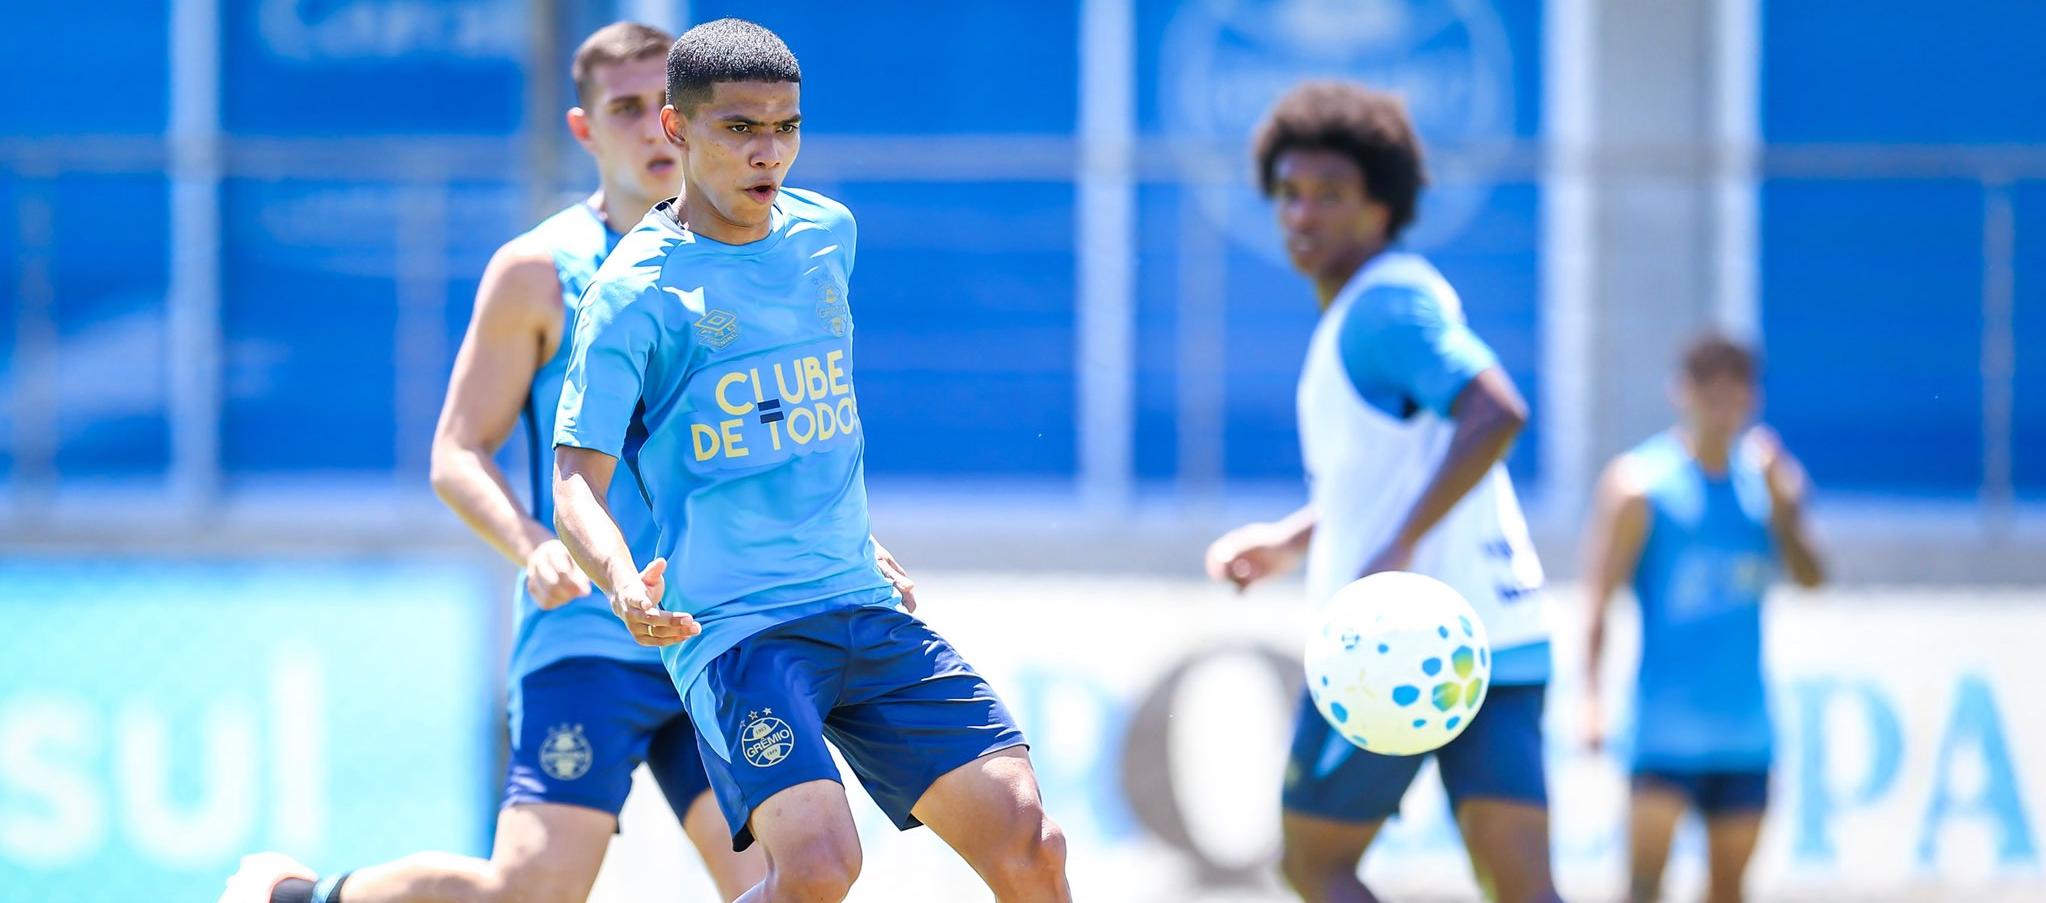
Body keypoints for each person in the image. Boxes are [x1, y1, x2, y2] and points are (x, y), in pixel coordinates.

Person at [219, 22, 766, 903]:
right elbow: (455, 450)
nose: (648, 128)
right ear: (584, 131)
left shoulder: (750, 261)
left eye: (661, 108)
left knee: (794, 879)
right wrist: (533, 543)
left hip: (718, 634)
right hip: (589, 634)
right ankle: (293, 895)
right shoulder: (537, 271)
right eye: (622, 109)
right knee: (530, 892)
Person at [550, 18, 1069, 903]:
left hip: (859, 599)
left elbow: (803, 420)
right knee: (821, 866)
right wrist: (621, 580)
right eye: (739, 128)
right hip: (739, 628)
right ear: (678, 131)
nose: (769, 151)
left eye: (786, 126)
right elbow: (574, 479)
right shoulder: (635, 292)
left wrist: (858, 538)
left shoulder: (828, 233)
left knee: (1030, 839)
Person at [1202, 81, 1558, 903]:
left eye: (1330, 194)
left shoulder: (1382, 308)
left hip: (1393, 645)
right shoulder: (1398, 296)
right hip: (1500, 634)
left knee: (1313, 864)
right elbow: (1397, 465)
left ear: (1382, 207)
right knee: (1526, 890)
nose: (1301, 213)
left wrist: (1396, 548)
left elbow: (1495, 409)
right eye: (1288, 194)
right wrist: (1296, 539)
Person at [1581, 334, 1825, 903]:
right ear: (1681, 395)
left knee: (1729, 890)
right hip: (1663, 732)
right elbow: (1599, 598)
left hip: (1745, 732)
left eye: (1733, 399)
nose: (1721, 413)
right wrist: (1589, 698)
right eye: (1709, 398)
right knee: (1643, 887)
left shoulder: (1770, 485)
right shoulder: (1641, 486)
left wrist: (1785, 509)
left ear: (1751, 401)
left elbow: (1813, 579)